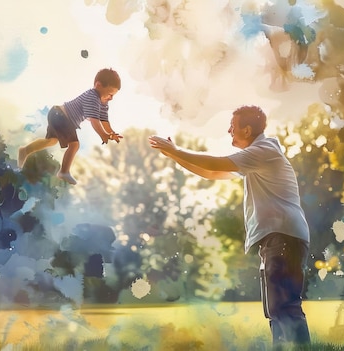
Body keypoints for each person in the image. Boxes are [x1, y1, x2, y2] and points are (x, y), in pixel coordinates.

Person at [148, 105, 311, 348]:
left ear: (247, 129)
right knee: (277, 308)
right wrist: (174, 155)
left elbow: (216, 163)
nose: (229, 131)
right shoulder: (257, 157)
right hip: (279, 236)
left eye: (232, 127)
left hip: (282, 236)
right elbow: (212, 173)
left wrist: (176, 149)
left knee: (283, 306)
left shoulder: (262, 152)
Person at [18, 68, 123, 184]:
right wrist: (103, 134)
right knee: (74, 145)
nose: (111, 98)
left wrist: (110, 133)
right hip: (62, 116)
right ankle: (64, 172)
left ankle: (25, 150)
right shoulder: (93, 97)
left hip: (57, 114)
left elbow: (103, 120)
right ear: (98, 85)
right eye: (110, 94)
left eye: (113, 95)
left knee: (51, 141)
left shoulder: (103, 102)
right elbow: (95, 121)